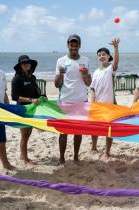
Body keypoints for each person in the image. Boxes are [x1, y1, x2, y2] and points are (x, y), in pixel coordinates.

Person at [54, 34, 91, 164]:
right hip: (65, 101)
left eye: (76, 45)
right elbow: (56, 84)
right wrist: (60, 74)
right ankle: (62, 158)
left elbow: (88, 83)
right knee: (63, 132)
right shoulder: (61, 61)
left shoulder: (85, 60)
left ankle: (76, 157)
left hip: (81, 101)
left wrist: (85, 75)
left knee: (78, 132)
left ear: (79, 45)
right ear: (68, 45)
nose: (73, 47)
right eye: (71, 44)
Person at [11, 55, 46, 164]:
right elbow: (14, 96)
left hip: (33, 109)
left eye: (28, 63)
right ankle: (25, 159)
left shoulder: (32, 77)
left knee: (29, 133)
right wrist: (30, 99)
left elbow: (36, 92)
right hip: (23, 109)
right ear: (20, 66)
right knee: (25, 135)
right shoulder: (17, 79)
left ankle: (22, 155)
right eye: (24, 63)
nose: (27, 64)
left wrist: (42, 96)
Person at [90, 38, 120, 160]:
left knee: (109, 130)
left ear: (108, 57)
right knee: (95, 128)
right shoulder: (96, 72)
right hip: (97, 105)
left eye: (104, 54)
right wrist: (91, 103)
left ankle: (107, 152)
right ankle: (94, 147)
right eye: (99, 55)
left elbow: (117, 63)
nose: (101, 56)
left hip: (110, 105)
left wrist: (116, 48)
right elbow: (92, 88)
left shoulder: (110, 69)